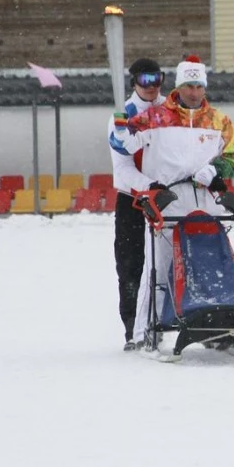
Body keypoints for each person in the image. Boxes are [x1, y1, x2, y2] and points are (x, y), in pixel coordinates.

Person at [111, 55, 234, 348]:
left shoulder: (219, 120)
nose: (194, 92)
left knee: (212, 265)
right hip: (170, 201)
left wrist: (215, 170)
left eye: (198, 85)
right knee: (160, 269)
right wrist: (120, 128)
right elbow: (126, 142)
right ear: (179, 86)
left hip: (206, 201)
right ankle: (145, 330)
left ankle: (217, 328)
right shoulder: (158, 116)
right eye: (188, 85)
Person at [107, 58, 166, 351]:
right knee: (132, 266)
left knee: (171, 262)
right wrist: (148, 186)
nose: (152, 86)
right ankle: (133, 328)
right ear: (134, 83)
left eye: (157, 79)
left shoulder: (171, 110)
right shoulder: (123, 116)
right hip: (133, 200)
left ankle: (169, 320)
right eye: (145, 80)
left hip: (167, 200)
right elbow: (122, 168)